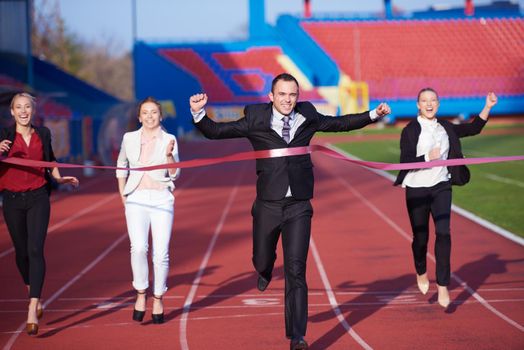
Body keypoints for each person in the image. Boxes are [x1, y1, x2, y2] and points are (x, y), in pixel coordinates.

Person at [190, 73, 391, 349]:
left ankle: (297, 336)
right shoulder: (255, 118)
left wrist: (373, 114)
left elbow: (340, 123)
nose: (288, 100)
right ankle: (264, 270)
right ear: (272, 97)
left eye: (292, 95)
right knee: (261, 259)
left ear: (298, 96)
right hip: (268, 205)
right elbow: (217, 132)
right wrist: (199, 113)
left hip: (299, 205)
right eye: (282, 94)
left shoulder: (307, 115)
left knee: (297, 270)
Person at [394, 88, 498, 308]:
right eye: (424, 101)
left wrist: (487, 106)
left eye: (433, 100)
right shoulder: (410, 130)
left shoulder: (446, 127)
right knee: (420, 238)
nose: (429, 104)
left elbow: (473, 128)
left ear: (438, 104)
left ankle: (442, 285)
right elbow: (405, 159)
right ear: (418, 105)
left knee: (443, 233)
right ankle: (421, 270)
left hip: (441, 186)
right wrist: (426, 157)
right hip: (416, 189)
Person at [0, 92, 79, 335]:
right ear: (12, 112)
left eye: (27, 107)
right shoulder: (3, 135)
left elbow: (50, 160)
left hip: (38, 197)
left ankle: (33, 306)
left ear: (33, 111)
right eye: (18, 108)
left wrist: (59, 178)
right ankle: (31, 289)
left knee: (35, 249)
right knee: (21, 253)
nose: (23, 111)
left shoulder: (43, 133)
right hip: (12, 200)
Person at [116, 97, 180, 324]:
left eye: (154, 112)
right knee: (139, 248)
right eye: (145, 112)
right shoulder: (129, 138)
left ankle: (158, 297)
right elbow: (121, 165)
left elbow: (174, 174)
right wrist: (123, 194)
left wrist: (170, 155)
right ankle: (141, 293)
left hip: (162, 199)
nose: (150, 116)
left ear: (160, 116)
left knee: (160, 253)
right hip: (136, 198)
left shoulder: (169, 139)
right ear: (139, 116)